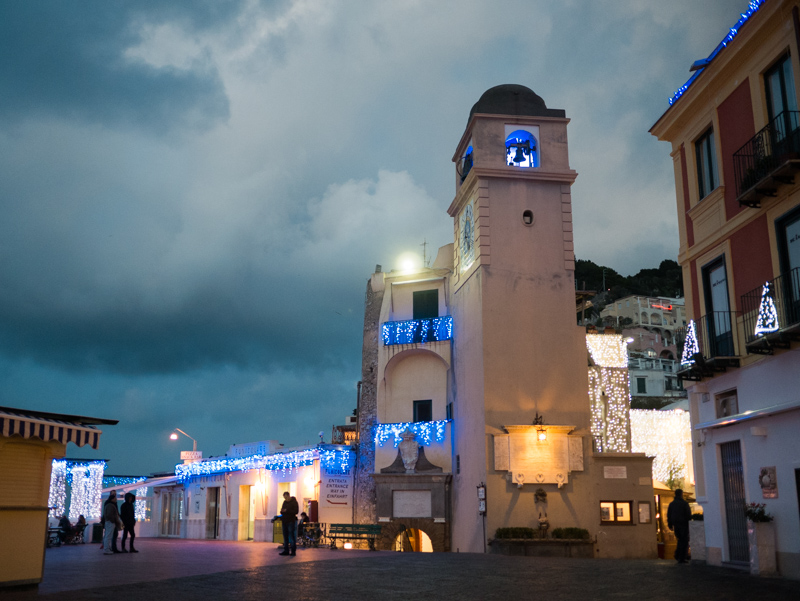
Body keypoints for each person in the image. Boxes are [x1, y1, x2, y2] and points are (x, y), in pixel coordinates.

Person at [667, 488, 692, 563]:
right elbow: (688, 514)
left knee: (680, 539)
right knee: (684, 540)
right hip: (684, 524)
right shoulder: (684, 504)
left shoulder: (672, 504)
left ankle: (678, 555)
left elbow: (669, 515)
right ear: (681, 494)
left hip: (676, 525)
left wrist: (670, 524)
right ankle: (681, 556)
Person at [279, 492, 299, 556]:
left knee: (291, 536)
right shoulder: (284, 502)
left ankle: (293, 551)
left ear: (288, 496)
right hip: (284, 521)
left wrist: (287, 510)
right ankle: (286, 550)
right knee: (285, 536)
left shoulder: (294, 502)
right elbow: (282, 510)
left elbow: (296, 511)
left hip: (291, 521)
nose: (285, 499)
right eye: (284, 497)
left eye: (286, 497)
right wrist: (282, 511)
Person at [103, 490, 123, 555]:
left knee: (111, 535)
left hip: (111, 522)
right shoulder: (110, 505)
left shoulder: (111, 504)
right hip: (111, 522)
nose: (116, 498)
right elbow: (110, 514)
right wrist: (113, 520)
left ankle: (109, 548)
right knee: (109, 535)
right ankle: (107, 549)